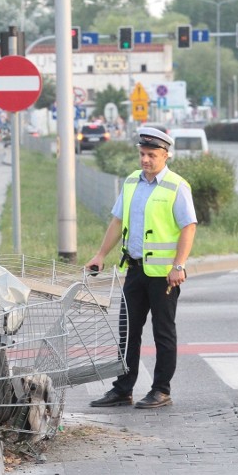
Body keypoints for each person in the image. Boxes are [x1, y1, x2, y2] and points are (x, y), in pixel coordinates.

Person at [85, 127, 197, 410]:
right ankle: (123, 389)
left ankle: (161, 390)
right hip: (135, 270)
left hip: (164, 276)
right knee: (127, 332)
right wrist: (100, 254)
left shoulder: (176, 186)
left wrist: (178, 265)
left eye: (152, 155)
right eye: (142, 154)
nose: (145, 160)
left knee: (163, 333)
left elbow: (188, 227)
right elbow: (116, 220)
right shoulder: (132, 181)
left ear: (165, 155)